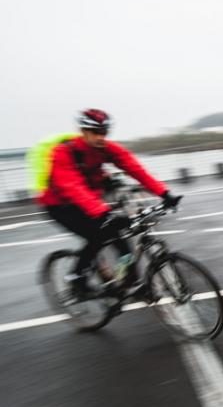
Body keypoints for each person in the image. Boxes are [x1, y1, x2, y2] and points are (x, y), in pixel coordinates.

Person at [37, 109, 181, 297]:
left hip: (89, 201)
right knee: (98, 236)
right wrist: (103, 212)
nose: (100, 137)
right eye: (95, 132)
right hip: (60, 205)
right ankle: (76, 278)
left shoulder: (106, 148)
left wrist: (164, 193)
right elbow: (73, 187)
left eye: (104, 132)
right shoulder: (64, 152)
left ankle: (130, 284)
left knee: (121, 241)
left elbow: (135, 169)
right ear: (84, 131)